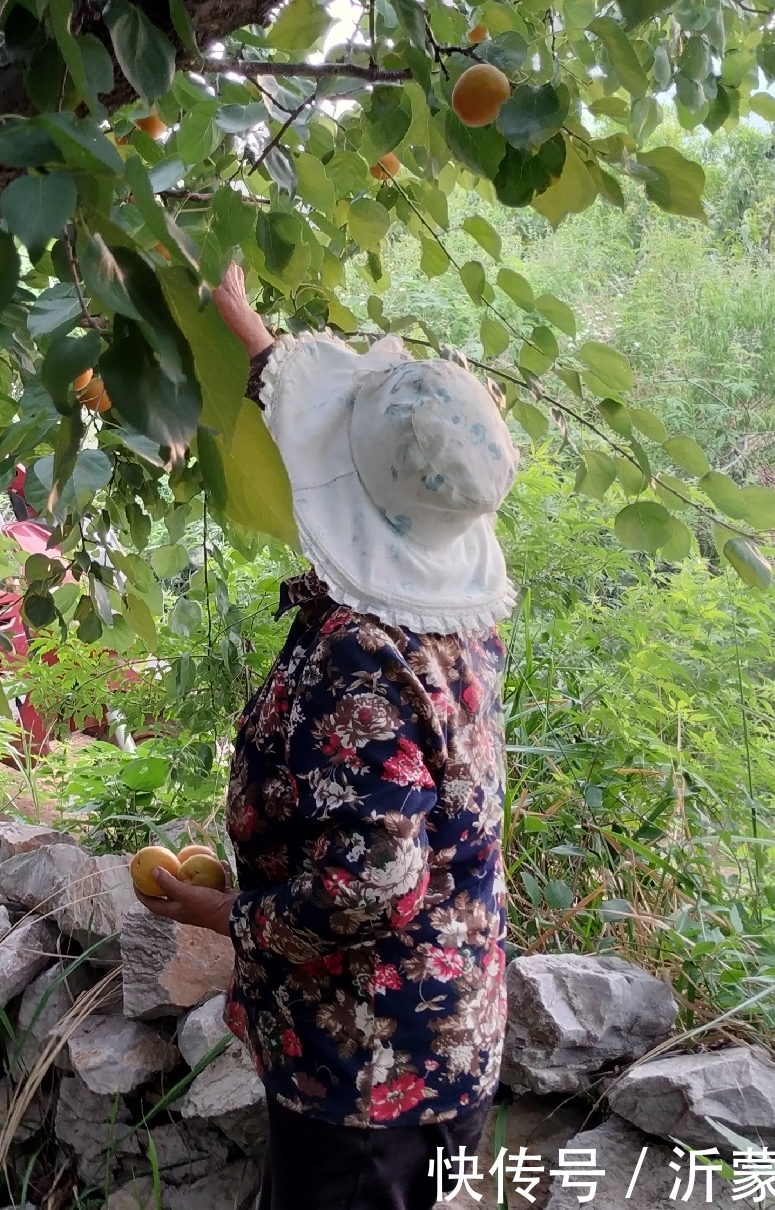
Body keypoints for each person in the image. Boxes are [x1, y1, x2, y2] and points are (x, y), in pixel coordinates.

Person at [135, 262, 516, 1210]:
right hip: (445, 1035)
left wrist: (221, 915)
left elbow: (373, 884)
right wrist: (241, 321)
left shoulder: (361, 653)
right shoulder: (454, 619)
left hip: (365, 1072)